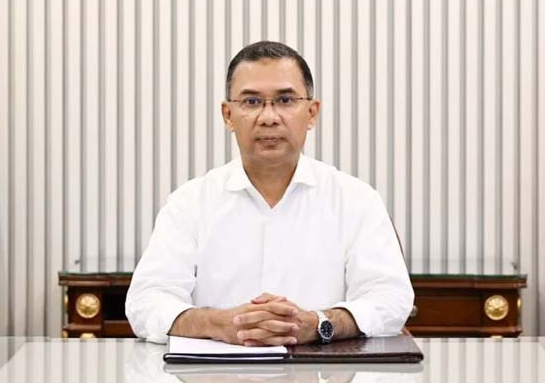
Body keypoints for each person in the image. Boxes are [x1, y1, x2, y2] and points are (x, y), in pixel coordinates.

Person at [125, 41, 413, 346]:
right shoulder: (189, 203)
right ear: (228, 115)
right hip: (214, 370)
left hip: (322, 368)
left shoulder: (356, 200)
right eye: (251, 102)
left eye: (285, 100)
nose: (269, 117)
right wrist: (219, 324)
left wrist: (319, 323)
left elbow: (391, 299)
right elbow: (146, 302)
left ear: (312, 113)